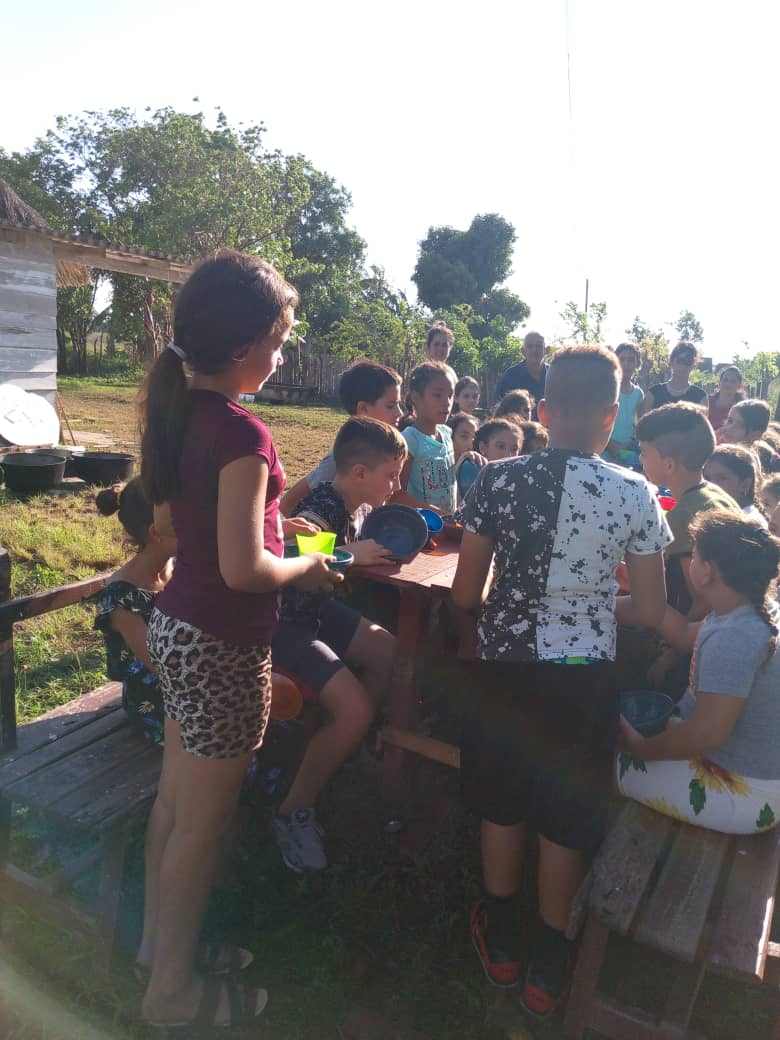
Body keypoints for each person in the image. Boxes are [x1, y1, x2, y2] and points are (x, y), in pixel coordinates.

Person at [138, 251, 341, 1030]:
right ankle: (173, 998)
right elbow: (246, 570)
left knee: (172, 807)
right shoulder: (245, 433)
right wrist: (306, 564)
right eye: (281, 340)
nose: (282, 355)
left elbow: (209, 526)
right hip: (222, 646)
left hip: (178, 629)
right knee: (202, 827)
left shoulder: (181, 411)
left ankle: (159, 953)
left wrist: (272, 528)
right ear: (245, 345)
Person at [453, 346, 670, 1016]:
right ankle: (549, 959)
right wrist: (579, 602)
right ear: (613, 416)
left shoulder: (495, 480)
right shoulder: (634, 492)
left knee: (502, 797)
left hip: (504, 668)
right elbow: (655, 612)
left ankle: (501, 931)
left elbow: (465, 595)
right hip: (583, 674)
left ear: (543, 411)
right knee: (563, 809)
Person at [271, 418, 405, 871]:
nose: (396, 484)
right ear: (360, 474)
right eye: (391, 475)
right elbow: (286, 545)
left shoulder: (355, 505)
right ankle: (293, 810)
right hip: (283, 626)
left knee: (388, 650)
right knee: (355, 709)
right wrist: (350, 554)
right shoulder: (324, 503)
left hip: (315, 612)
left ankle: (348, 743)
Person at [616, 511, 780, 834]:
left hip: (746, 794)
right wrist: (633, 594)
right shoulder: (747, 609)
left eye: (694, 554)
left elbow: (707, 735)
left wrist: (642, 750)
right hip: (746, 774)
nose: (690, 560)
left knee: (604, 765)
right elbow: (682, 633)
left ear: (706, 571)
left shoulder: (735, 637)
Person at [636, 403, 740, 617]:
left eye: (644, 452)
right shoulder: (713, 493)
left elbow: (703, 600)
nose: (640, 459)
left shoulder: (684, 516)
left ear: (669, 465)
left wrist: (674, 649)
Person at [94, 479, 176, 747]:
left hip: (186, 686)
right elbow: (158, 665)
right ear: (156, 532)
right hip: (154, 702)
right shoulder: (122, 599)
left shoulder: (174, 568)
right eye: (185, 521)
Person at [281, 361, 402, 516]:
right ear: (363, 409)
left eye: (399, 404)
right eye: (391, 406)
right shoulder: (338, 460)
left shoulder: (385, 450)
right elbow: (288, 503)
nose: (400, 413)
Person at [397, 362, 462, 513]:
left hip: (446, 526)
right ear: (416, 397)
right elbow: (396, 495)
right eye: (437, 395)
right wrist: (432, 512)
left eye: (450, 395)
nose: (446, 402)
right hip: (422, 528)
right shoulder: (409, 440)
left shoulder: (446, 434)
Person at [703, 445, 767, 526]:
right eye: (707, 478)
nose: (711, 484)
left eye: (722, 478)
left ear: (744, 484)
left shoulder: (750, 524)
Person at [641, 341, 707, 414]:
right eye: (680, 360)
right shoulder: (653, 393)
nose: (683, 366)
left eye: (688, 361)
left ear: (693, 365)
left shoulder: (701, 397)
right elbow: (645, 424)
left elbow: (702, 425)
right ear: (671, 361)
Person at [605, 343, 644, 466]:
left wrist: (625, 449)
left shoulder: (639, 394)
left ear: (637, 363)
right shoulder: (607, 388)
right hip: (604, 450)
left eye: (631, 360)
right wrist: (611, 446)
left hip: (627, 453)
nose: (626, 364)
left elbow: (639, 426)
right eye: (622, 359)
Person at [495, 331, 548, 403]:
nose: (534, 350)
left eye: (539, 346)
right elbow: (498, 406)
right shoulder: (510, 376)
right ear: (523, 351)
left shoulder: (554, 374)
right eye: (530, 346)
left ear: (546, 350)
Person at [708, 365, 744, 431]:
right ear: (719, 382)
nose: (728, 384)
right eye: (725, 380)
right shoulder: (707, 402)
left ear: (739, 385)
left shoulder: (743, 408)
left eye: (733, 381)